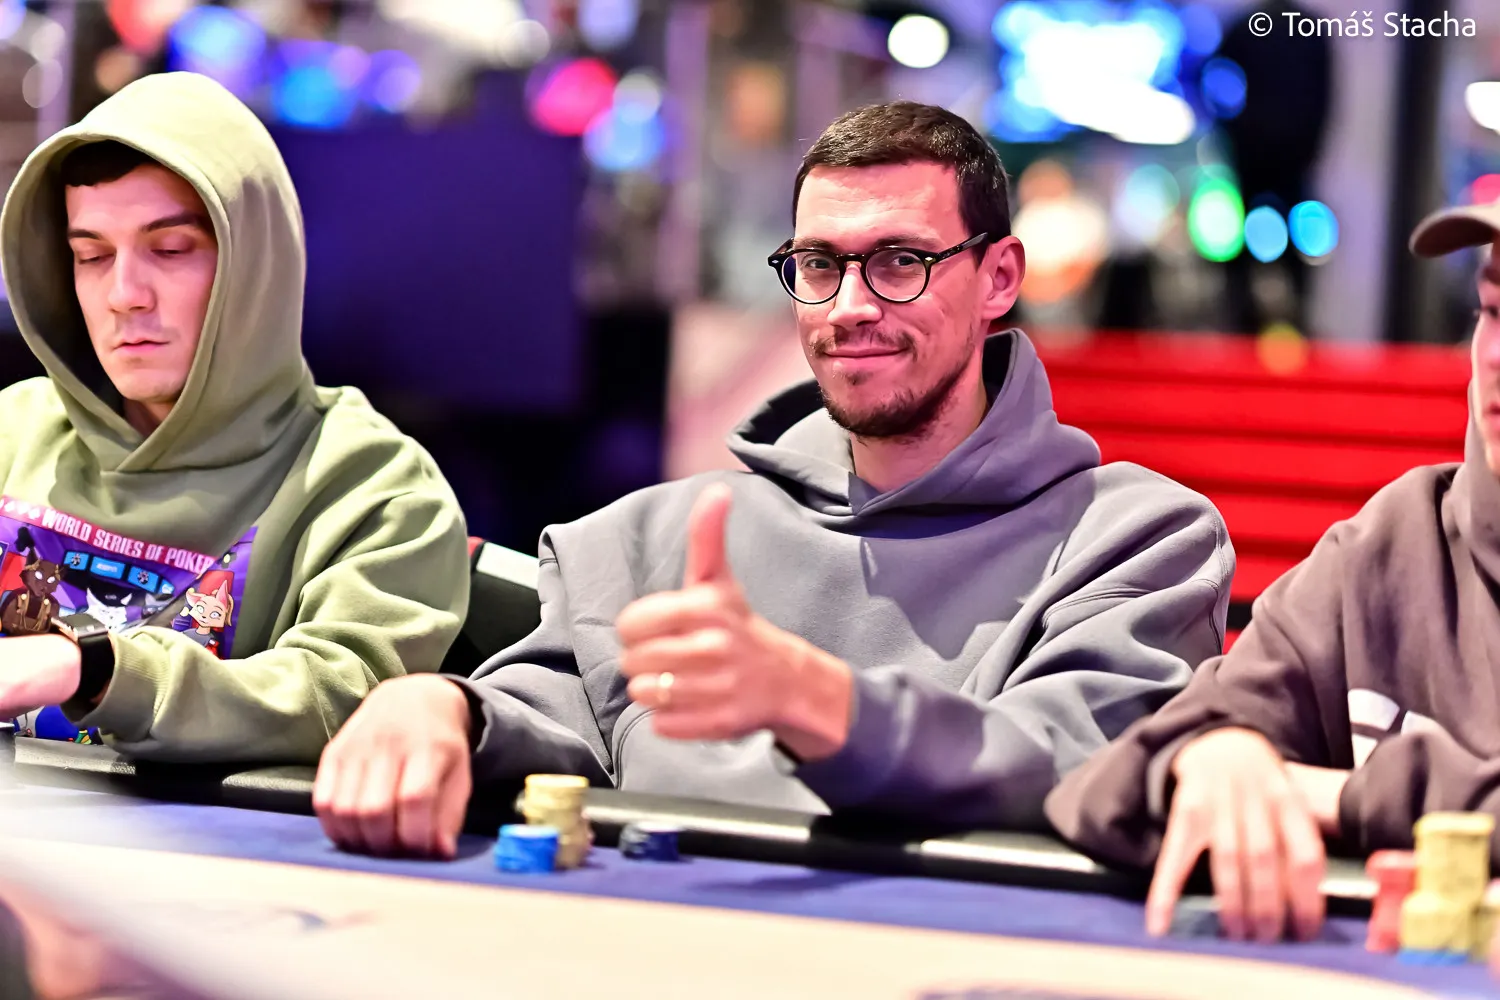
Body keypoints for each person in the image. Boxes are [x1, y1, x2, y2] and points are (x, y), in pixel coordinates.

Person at [315, 101, 1232, 858]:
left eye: (900, 262)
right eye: (819, 265)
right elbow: (546, 718)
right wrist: (438, 704)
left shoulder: (1136, 541)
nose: (850, 307)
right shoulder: (647, 536)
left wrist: (811, 699)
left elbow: (1077, 768)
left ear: (999, 279)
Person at [1045, 196, 1500, 945]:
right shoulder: (1394, 544)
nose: (1493, 356)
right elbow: (1111, 785)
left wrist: (1341, 798)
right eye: (1491, 311)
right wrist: (1214, 754)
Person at [0, 72, 469, 760]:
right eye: (91, 256)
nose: (123, 294)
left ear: (257, 268)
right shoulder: (15, 429)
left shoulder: (373, 487)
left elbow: (343, 699)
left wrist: (94, 667)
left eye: (170, 249)